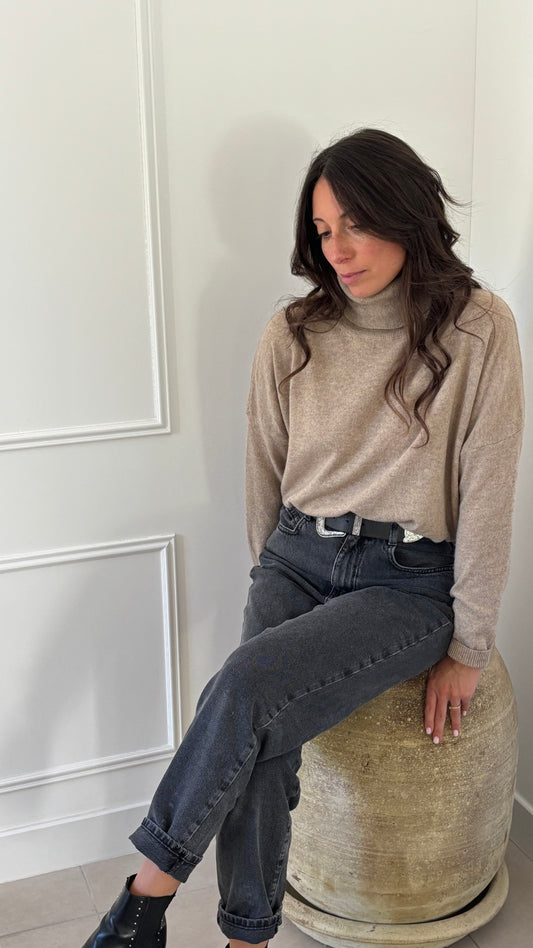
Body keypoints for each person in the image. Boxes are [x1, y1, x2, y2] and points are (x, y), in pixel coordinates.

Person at [81, 128, 524, 948]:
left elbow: (490, 492)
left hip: (405, 580)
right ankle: (245, 939)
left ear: (405, 212)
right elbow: (264, 466)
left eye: (355, 223)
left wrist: (469, 644)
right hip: (295, 556)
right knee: (263, 738)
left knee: (243, 686)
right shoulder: (291, 330)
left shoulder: (479, 329)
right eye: (322, 231)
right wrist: (271, 576)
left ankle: (143, 901)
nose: (337, 250)